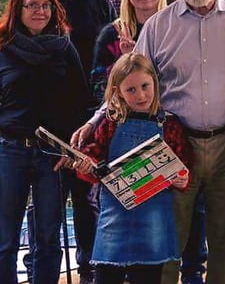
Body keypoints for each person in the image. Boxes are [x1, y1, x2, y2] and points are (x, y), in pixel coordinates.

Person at [73, 0, 225, 284]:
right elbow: (129, 80)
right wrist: (94, 120)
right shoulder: (159, 26)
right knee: (166, 242)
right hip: (171, 146)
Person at [0, 0, 92, 284]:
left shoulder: (65, 49)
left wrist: (73, 151)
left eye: (45, 5)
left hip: (51, 155)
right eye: (31, 5)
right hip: (9, 151)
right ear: (18, 9)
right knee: (6, 237)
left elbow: (80, 105)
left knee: (48, 235)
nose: (40, 11)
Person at [75, 53, 190, 284]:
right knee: (106, 277)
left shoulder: (169, 124)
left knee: (147, 277)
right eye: (131, 90)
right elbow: (93, 158)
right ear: (117, 92)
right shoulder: (109, 122)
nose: (141, 95)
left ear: (155, 83)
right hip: (114, 221)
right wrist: (85, 165)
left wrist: (182, 178)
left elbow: (185, 164)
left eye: (145, 86)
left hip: (153, 222)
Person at [45, 0, 115, 283]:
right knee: (48, 209)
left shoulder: (100, 4)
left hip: (93, 118)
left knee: (89, 204)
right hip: (51, 120)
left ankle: (90, 271)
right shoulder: (41, 3)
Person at [90, 0, 167, 104]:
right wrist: (125, 64)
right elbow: (98, 88)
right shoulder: (111, 34)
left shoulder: (174, 29)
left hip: (171, 115)